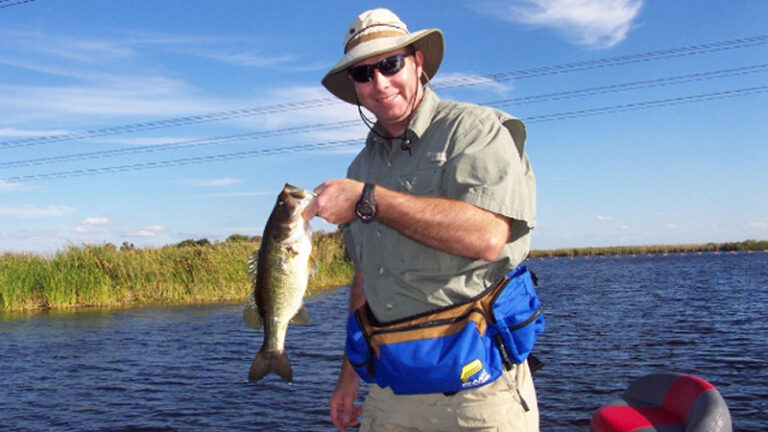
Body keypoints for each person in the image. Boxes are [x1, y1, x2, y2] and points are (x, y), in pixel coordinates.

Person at [309, 8, 539, 432]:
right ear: (355, 88)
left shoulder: (475, 129)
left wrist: (368, 199)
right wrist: (348, 379)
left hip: (477, 393)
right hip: (390, 389)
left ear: (417, 63)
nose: (379, 82)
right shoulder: (360, 166)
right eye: (363, 74)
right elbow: (366, 279)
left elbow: (490, 236)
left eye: (390, 64)